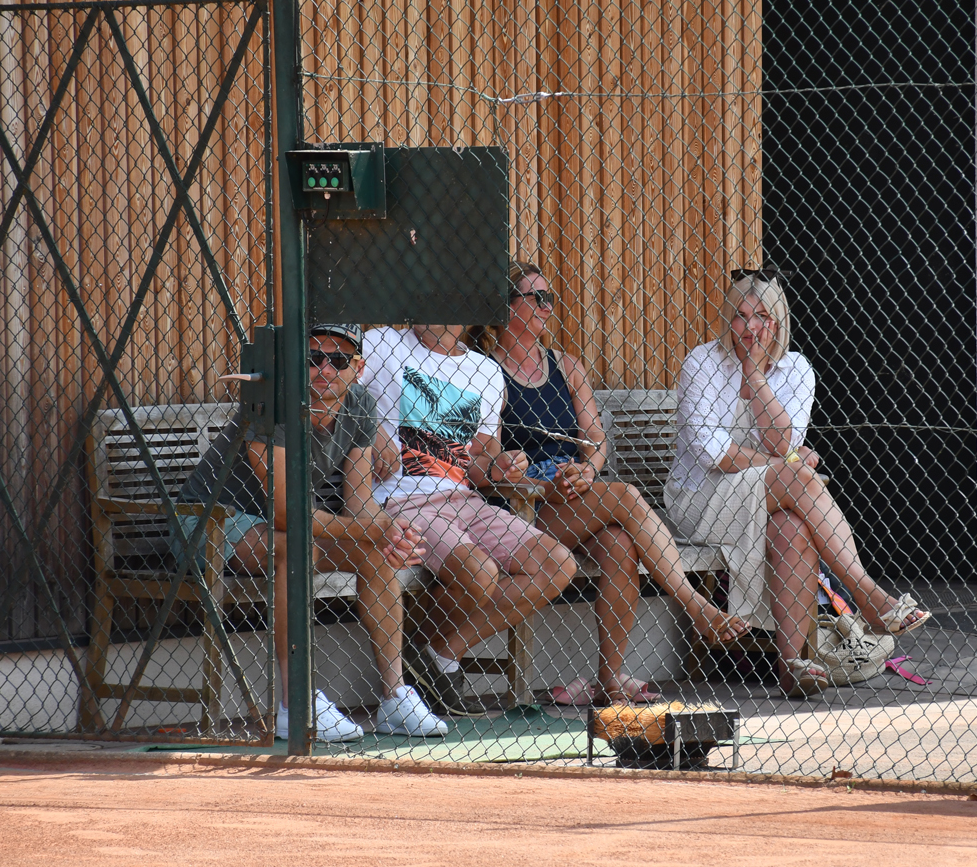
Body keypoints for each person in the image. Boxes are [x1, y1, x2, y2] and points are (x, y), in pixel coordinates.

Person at [470, 261, 750, 706]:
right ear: (506, 309)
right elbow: (486, 458)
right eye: (536, 298)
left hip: (574, 492)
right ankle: (695, 605)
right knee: (624, 496)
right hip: (524, 504)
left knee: (619, 543)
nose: (547, 307)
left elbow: (595, 440)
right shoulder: (485, 372)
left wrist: (588, 469)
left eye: (549, 298)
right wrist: (523, 474)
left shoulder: (566, 366)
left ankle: (610, 678)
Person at [665, 268, 931, 697]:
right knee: (797, 477)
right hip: (701, 501)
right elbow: (714, 454)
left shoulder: (796, 370)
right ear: (728, 318)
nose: (750, 327)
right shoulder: (702, 363)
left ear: (779, 321)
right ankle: (866, 594)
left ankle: (793, 666)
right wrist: (782, 463)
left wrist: (755, 378)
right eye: (740, 315)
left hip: (770, 497)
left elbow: (781, 442)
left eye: (762, 316)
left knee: (791, 527)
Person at [176, 322, 448, 740]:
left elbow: (359, 500)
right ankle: (296, 702)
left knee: (375, 553)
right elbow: (288, 514)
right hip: (211, 522)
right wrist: (373, 529)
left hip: (282, 528)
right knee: (299, 549)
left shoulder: (359, 402)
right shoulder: (273, 403)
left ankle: (395, 698)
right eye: (313, 358)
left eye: (339, 359)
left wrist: (389, 532)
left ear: (358, 369)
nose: (325, 369)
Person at [358, 323, 577, 717]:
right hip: (402, 503)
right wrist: (371, 431)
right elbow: (330, 389)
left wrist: (502, 465)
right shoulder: (383, 343)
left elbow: (481, 459)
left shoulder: (485, 370)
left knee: (558, 564)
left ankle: (438, 653)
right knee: (479, 572)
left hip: (466, 499)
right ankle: (425, 658)